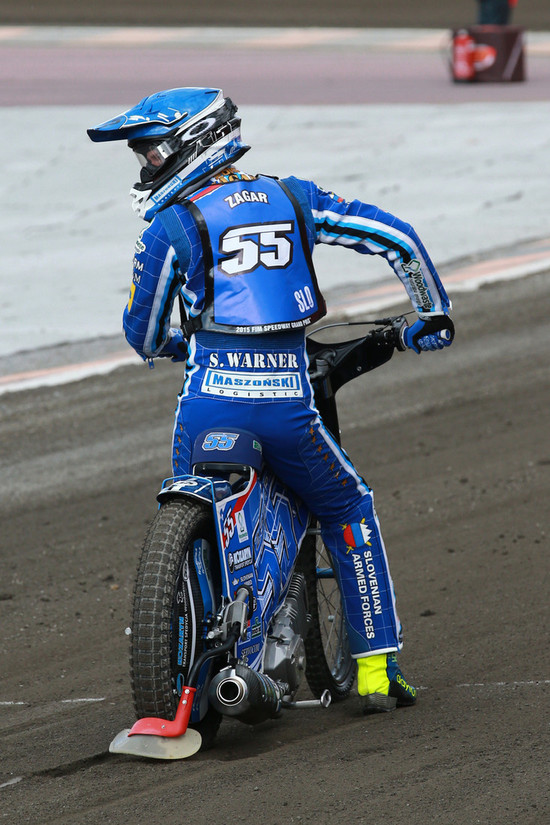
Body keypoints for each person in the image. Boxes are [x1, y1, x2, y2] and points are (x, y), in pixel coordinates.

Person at [88, 87, 454, 714]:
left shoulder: (170, 226)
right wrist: (432, 313)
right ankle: (375, 670)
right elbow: (396, 236)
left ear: (192, 144)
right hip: (287, 406)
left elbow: (142, 334)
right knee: (348, 507)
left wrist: (180, 344)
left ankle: (191, 658)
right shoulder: (294, 197)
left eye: (151, 152)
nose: (146, 165)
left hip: (206, 404)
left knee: (194, 512)